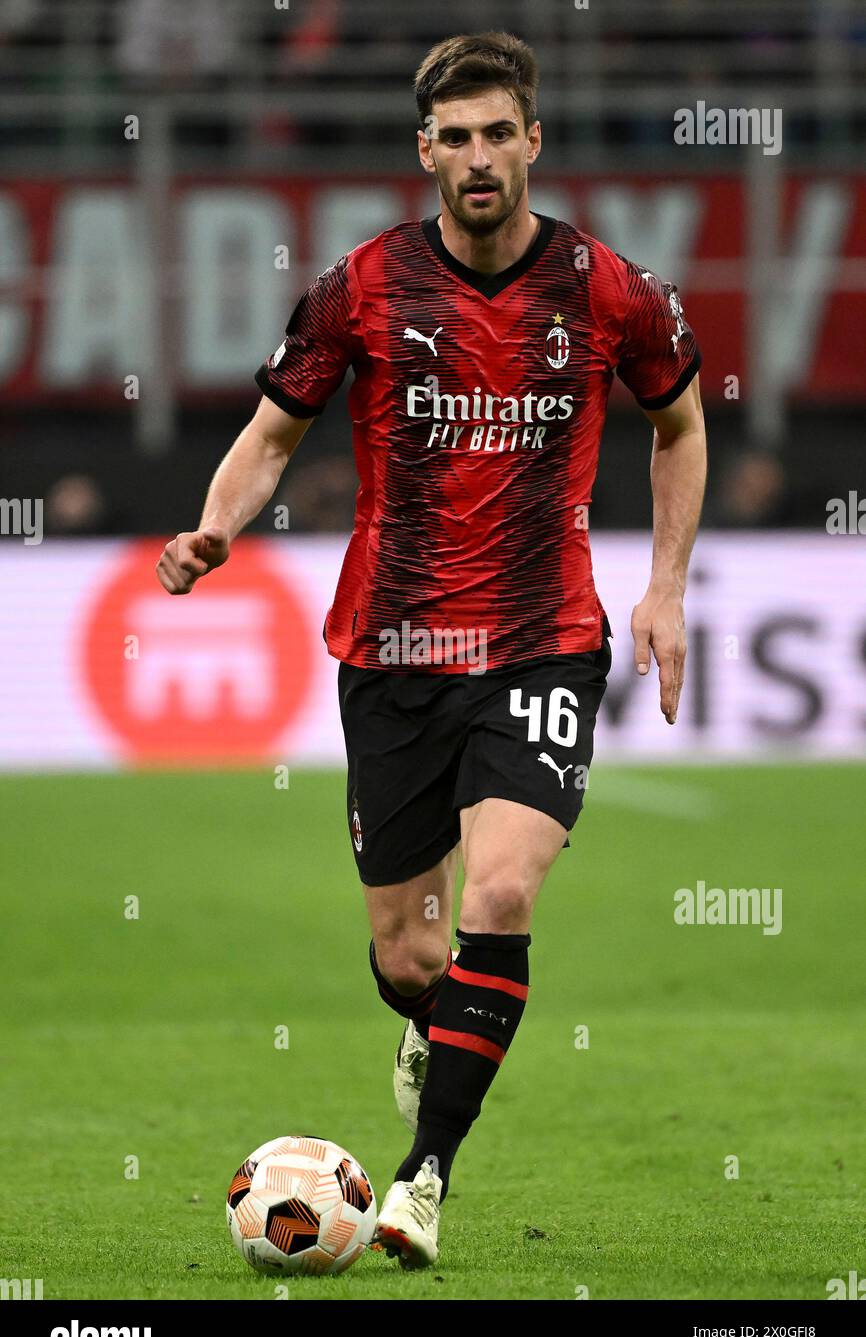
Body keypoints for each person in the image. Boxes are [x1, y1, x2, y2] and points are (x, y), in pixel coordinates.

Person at [156, 30, 707, 1270]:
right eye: (450, 138)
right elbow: (269, 435)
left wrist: (663, 587)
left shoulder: (607, 289)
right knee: (412, 953)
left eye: (494, 133)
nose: (474, 158)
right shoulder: (359, 287)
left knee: (501, 894)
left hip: (541, 640)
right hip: (391, 649)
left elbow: (678, 426)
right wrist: (213, 527)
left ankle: (422, 1178)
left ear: (531, 141)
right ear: (423, 152)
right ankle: (432, 1017)